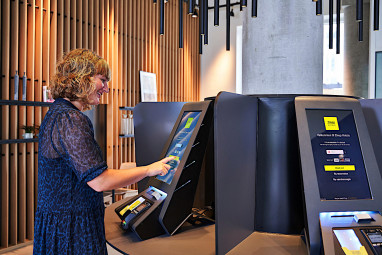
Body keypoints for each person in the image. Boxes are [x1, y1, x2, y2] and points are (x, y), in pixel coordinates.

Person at [33, 48, 174, 255]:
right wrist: (149, 170)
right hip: (72, 230)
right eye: (103, 80)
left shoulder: (57, 113)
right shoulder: (71, 120)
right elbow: (100, 181)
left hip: (58, 225)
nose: (107, 88)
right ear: (81, 78)